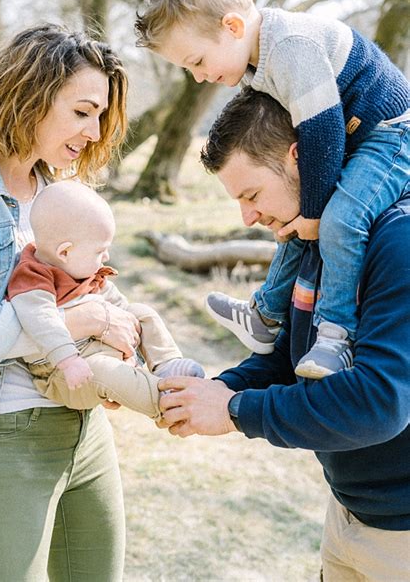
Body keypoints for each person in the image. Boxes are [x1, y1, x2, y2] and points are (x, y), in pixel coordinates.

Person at [158, 90, 410, 581]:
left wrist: (234, 413)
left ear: (300, 156)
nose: (247, 218)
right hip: (349, 513)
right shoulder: (315, 238)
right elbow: (289, 360)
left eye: (251, 195)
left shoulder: (398, 243)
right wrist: (216, 391)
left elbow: (379, 403)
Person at [135, 0, 410, 379]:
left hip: (390, 133)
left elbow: (324, 131)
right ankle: (265, 316)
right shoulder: (254, 66)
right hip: (355, 133)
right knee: (292, 221)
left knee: (338, 219)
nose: (197, 77)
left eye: (197, 61)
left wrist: (315, 215)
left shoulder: (289, 47)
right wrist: (302, 216)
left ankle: (335, 337)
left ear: (232, 27)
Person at [0, 24, 138, 581]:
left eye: (100, 116)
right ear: (29, 95)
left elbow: (94, 284)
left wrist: (123, 339)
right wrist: (79, 321)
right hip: (5, 435)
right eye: (81, 112)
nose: (94, 132)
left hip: (87, 431)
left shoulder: (61, 192)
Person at [6, 180, 204, 417]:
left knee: (141, 312)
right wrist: (68, 360)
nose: (107, 256)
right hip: (60, 372)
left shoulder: (80, 268)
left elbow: (117, 307)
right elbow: (41, 322)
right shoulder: (32, 278)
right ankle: (162, 401)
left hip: (97, 346)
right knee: (106, 372)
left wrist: (131, 340)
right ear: (65, 252)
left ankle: (167, 364)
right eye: (100, 251)